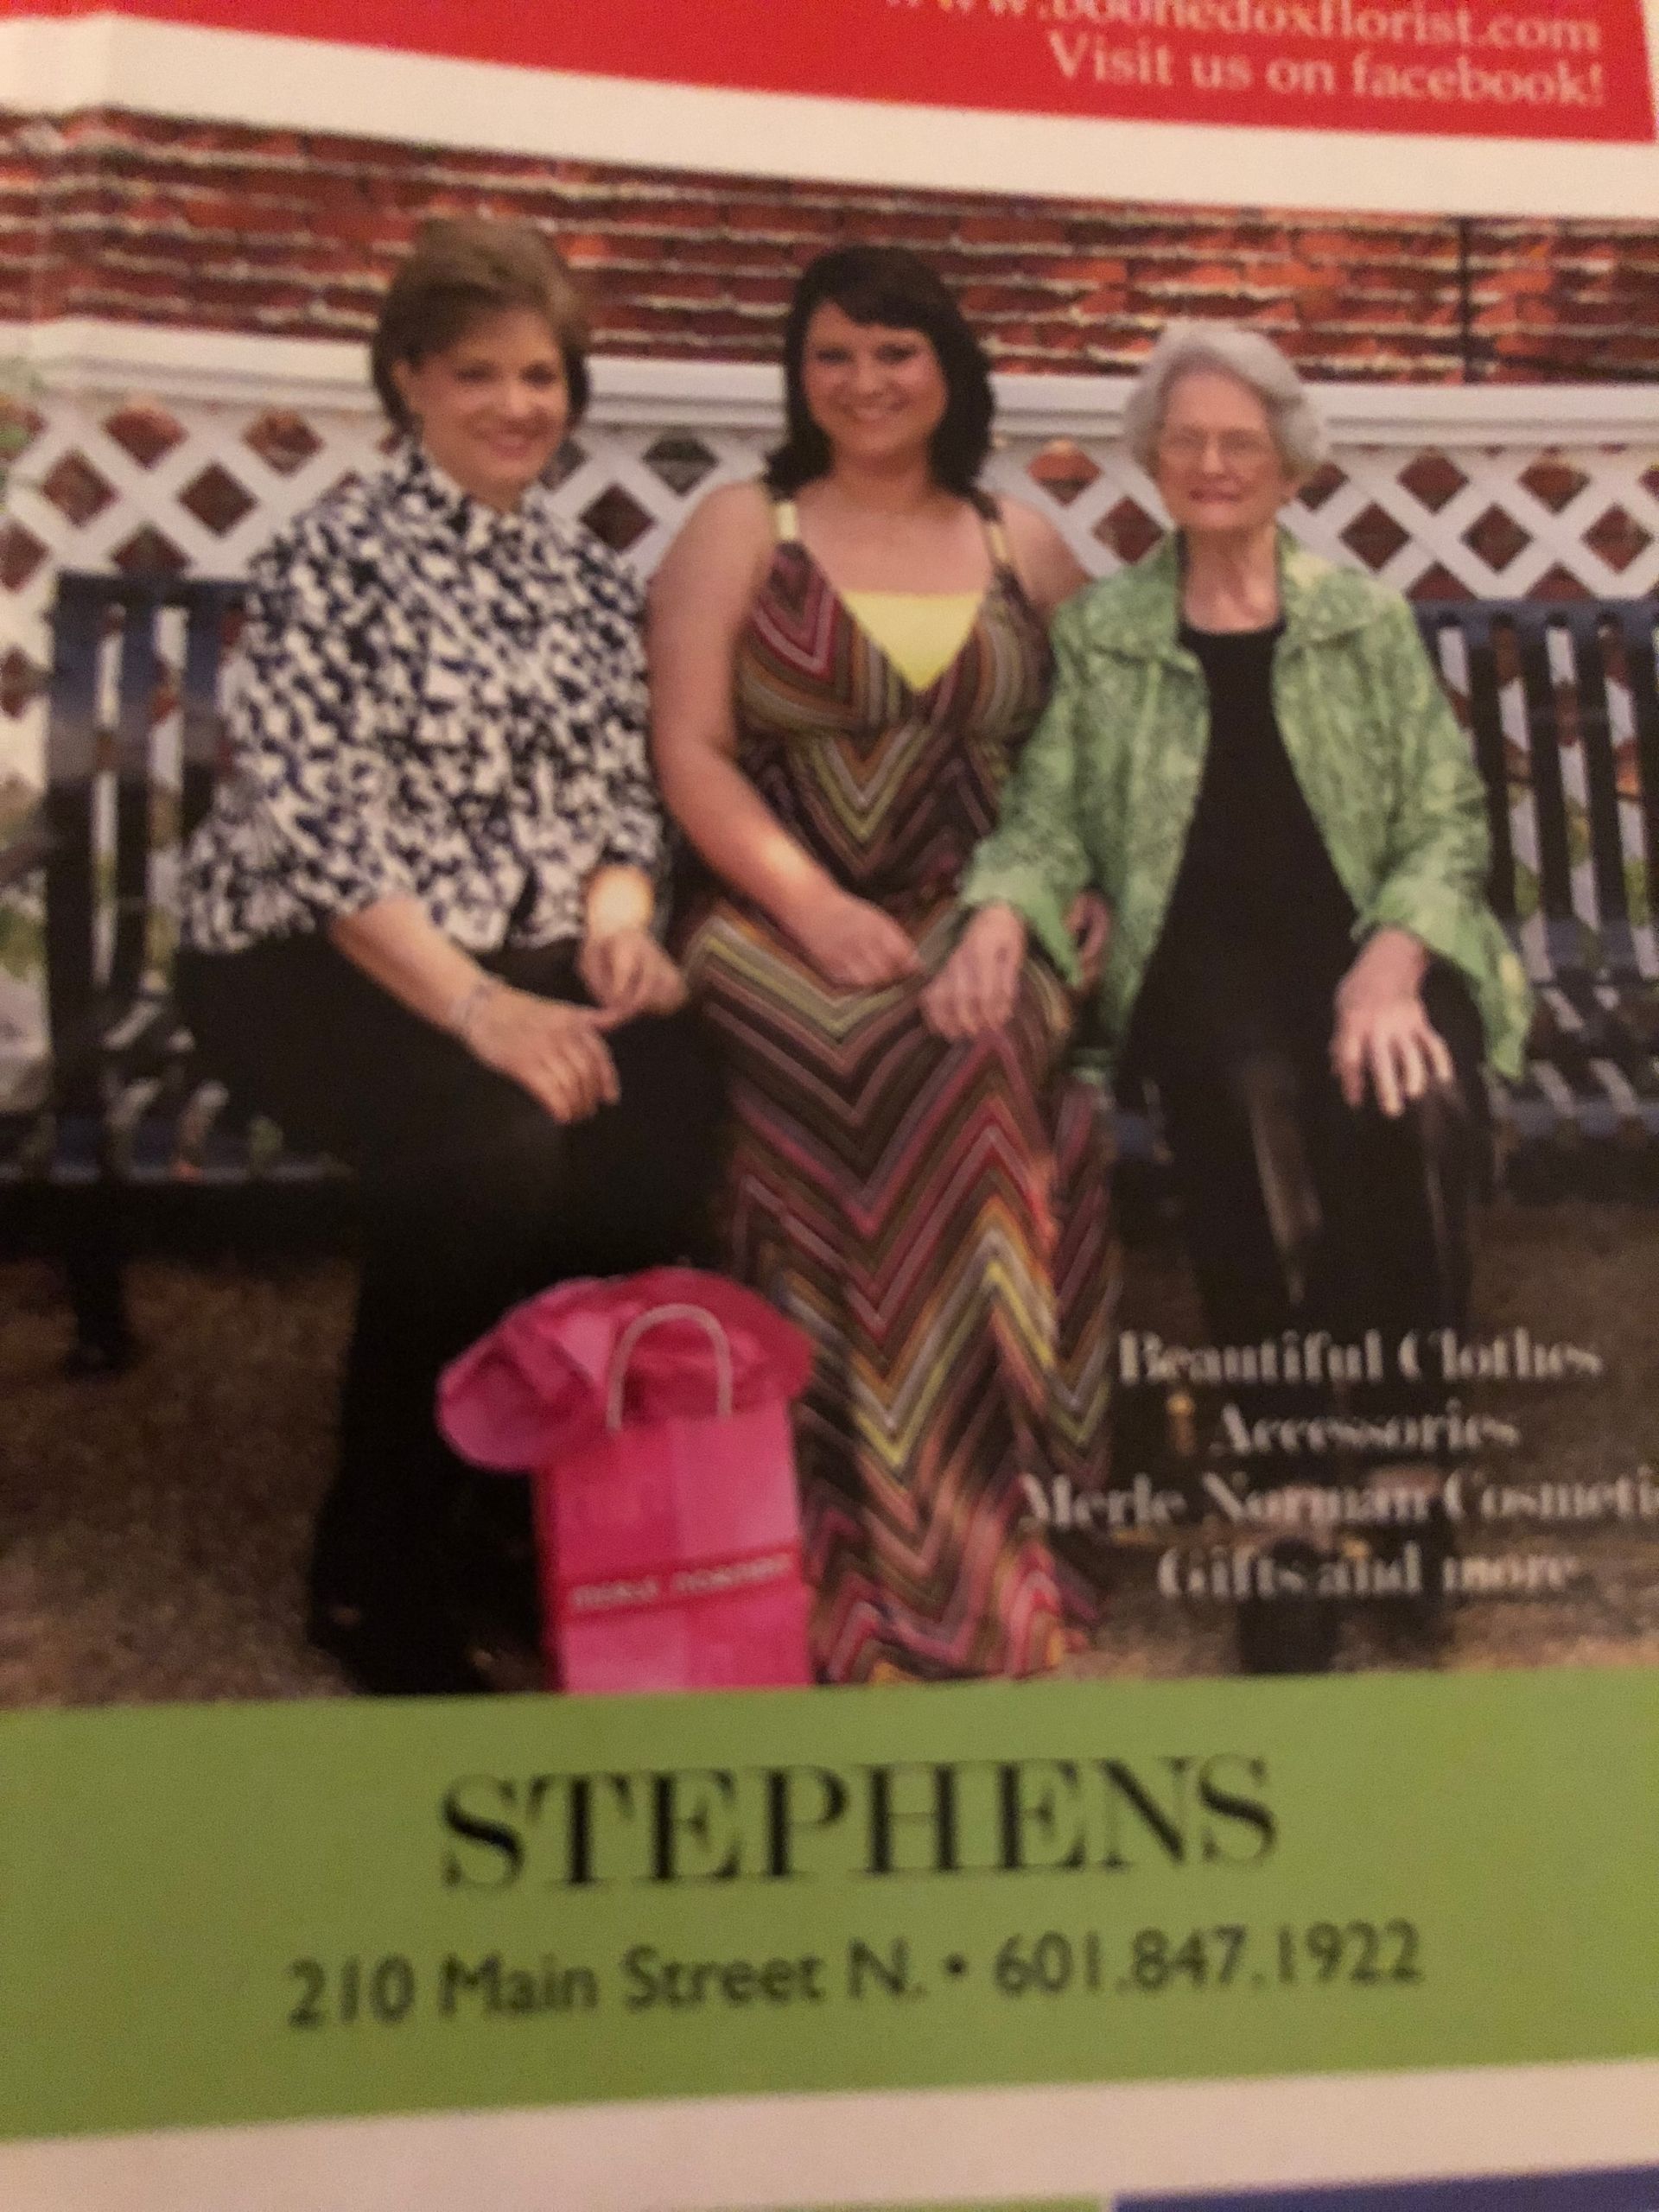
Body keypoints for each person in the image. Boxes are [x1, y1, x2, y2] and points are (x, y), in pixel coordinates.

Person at [176, 219, 722, 1696]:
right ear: (409, 376)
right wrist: (482, 1013)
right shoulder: (328, 562)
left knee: (668, 1107)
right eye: (475, 371)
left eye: (540, 375)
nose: (514, 405)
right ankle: (377, 1565)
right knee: (491, 1154)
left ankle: (523, 1502)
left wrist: (617, 929)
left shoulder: (588, 582)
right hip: (307, 957)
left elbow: (622, 797)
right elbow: (323, 840)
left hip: (518, 941)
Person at [937, 321, 1533, 1669]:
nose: (1214, 464)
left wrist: (1392, 962)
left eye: (1242, 444)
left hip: (1368, 952)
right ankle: (1293, 1511)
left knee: (1418, 1112)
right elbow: (1044, 818)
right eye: (1188, 441)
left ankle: (1411, 1477)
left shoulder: (1361, 622)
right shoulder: (1106, 634)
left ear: (1290, 468)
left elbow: (1447, 822)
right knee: (1250, 1123)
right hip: (1200, 965)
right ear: (1153, 461)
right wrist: (999, 902)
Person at [648, 244, 1117, 1685]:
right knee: (863, 1042)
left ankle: (973, 1535)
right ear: (800, 374)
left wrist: (1028, 906)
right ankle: (841, 1522)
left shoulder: (1019, 543)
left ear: (948, 370)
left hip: (993, 905)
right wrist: (806, 899)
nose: (864, 381)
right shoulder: (743, 523)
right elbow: (690, 752)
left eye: (896, 351)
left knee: (962, 1042)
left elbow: (1088, 758)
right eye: (833, 353)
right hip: (776, 904)